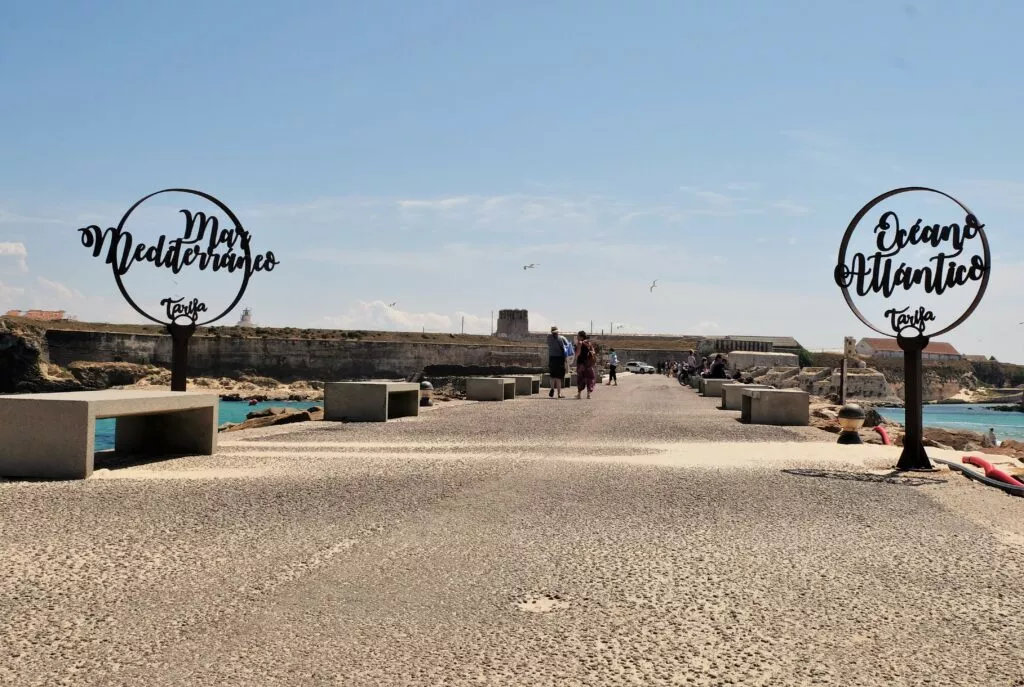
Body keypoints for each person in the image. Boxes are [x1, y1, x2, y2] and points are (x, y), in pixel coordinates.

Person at [546, 325, 570, 398]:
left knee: (552, 376)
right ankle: (559, 394)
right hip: (559, 359)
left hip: (551, 358)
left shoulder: (548, 338)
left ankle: (552, 388)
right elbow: (567, 346)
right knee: (558, 377)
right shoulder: (561, 338)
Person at [575, 330, 597, 399]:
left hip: (581, 363)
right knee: (590, 378)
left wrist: (575, 356)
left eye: (578, 336)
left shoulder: (580, 343)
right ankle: (588, 394)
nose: (577, 337)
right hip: (588, 364)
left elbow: (578, 353)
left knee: (581, 378)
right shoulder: (589, 343)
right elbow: (593, 353)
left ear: (581, 337)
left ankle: (579, 394)